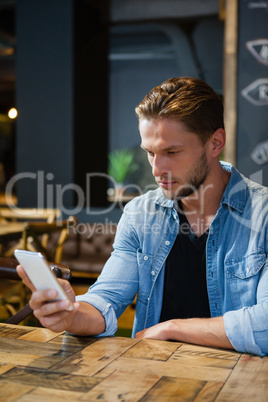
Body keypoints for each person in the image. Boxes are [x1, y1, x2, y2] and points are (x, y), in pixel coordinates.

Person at [17, 77, 268, 356]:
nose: (157, 169)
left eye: (171, 152)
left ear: (215, 142)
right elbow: (107, 299)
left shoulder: (263, 215)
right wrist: (71, 314)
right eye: (150, 153)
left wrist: (173, 329)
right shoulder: (140, 214)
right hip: (151, 379)